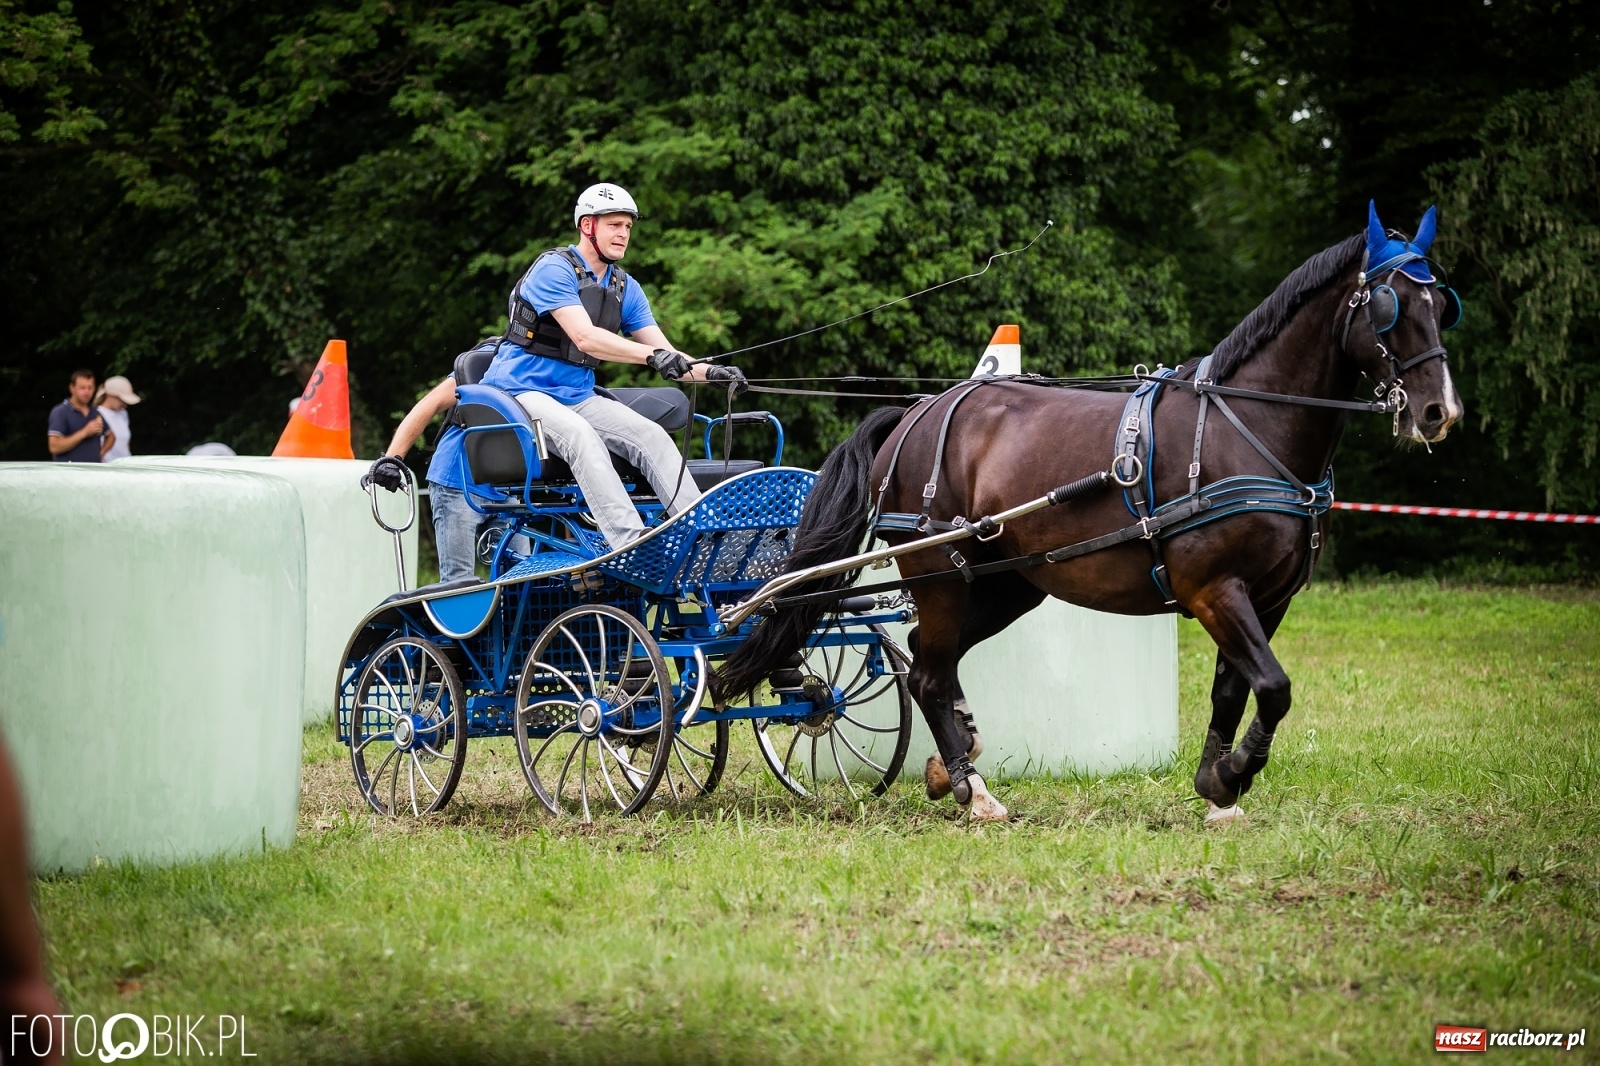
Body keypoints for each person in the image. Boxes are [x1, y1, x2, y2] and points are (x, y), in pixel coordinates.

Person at [481, 182, 748, 549]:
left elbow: (667, 352)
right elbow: (585, 337)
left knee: (651, 435)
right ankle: (632, 544)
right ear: (587, 226)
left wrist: (711, 373)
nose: (623, 234)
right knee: (580, 436)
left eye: (627, 227)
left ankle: (705, 537)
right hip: (520, 392)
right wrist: (651, 357)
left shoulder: (625, 287)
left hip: (576, 394)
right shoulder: (553, 269)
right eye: (614, 225)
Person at [364, 339, 523, 584]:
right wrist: (392, 459)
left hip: (507, 486)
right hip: (457, 480)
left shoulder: (545, 367)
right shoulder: (490, 359)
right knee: (458, 583)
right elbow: (431, 404)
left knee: (521, 579)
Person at [46, 369, 113, 462]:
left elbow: (111, 436)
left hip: (93, 473)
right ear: (72, 388)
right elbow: (54, 447)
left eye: (90, 388)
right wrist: (85, 432)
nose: (87, 392)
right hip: (68, 473)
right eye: (82, 388)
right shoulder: (60, 412)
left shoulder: (95, 412)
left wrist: (101, 452)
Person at [95, 375, 141, 462]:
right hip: (107, 468)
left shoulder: (123, 414)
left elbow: (125, 444)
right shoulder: (97, 414)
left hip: (125, 466)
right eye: (122, 400)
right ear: (110, 395)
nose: (125, 404)